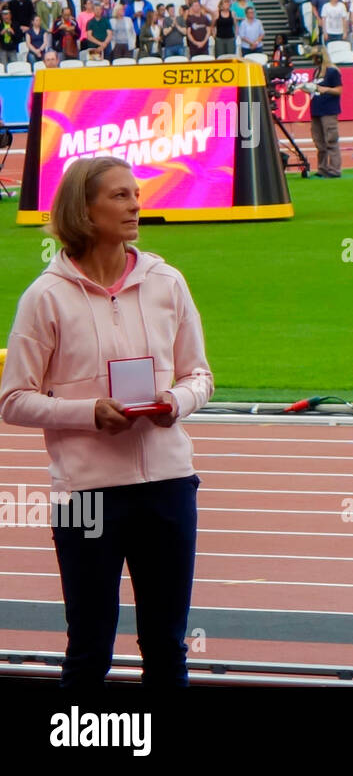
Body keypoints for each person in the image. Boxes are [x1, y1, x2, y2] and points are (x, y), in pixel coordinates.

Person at [0, 157, 213, 685]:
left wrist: (175, 403)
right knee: (90, 645)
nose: (136, 205)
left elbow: (200, 375)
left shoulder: (167, 282)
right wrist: (89, 414)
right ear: (84, 209)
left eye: (136, 194)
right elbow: (13, 399)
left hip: (167, 487)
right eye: (120, 196)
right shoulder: (46, 297)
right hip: (86, 495)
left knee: (166, 644)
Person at [304, 47, 345, 178]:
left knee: (330, 140)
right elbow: (315, 89)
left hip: (328, 110)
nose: (313, 60)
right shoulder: (316, 72)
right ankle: (322, 169)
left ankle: (334, 169)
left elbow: (339, 90)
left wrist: (325, 89)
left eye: (315, 57)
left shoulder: (332, 71)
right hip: (316, 110)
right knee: (319, 142)